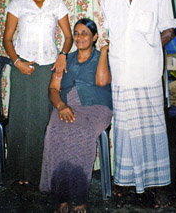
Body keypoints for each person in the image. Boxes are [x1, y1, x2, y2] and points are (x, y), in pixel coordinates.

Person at [100, 0, 176, 208]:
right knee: (124, 131)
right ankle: (125, 181)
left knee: (153, 131)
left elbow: (168, 28)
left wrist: (150, 46)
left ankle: (158, 186)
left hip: (147, 74)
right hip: (121, 74)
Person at [3, 0, 73, 186]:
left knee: (41, 120)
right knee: (19, 119)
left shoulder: (57, 5)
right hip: (22, 67)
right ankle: (17, 174)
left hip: (48, 68)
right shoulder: (18, 5)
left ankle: (37, 175)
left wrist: (63, 54)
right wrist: (16, 62)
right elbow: (7, 39)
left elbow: (68, 36)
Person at [39, 18, 113, 213]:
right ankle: (61, 195)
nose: (80, 37)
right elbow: (53, 88)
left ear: (94, 37)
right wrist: (61, 105)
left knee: (82, 133)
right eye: (77, 33)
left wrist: (104, 53)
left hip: (96, 106)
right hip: (67, 105)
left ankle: (79, 197)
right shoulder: (65, 60)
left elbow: (102, 82)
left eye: (85, 33)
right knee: (54, 132)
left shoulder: (102, 57)